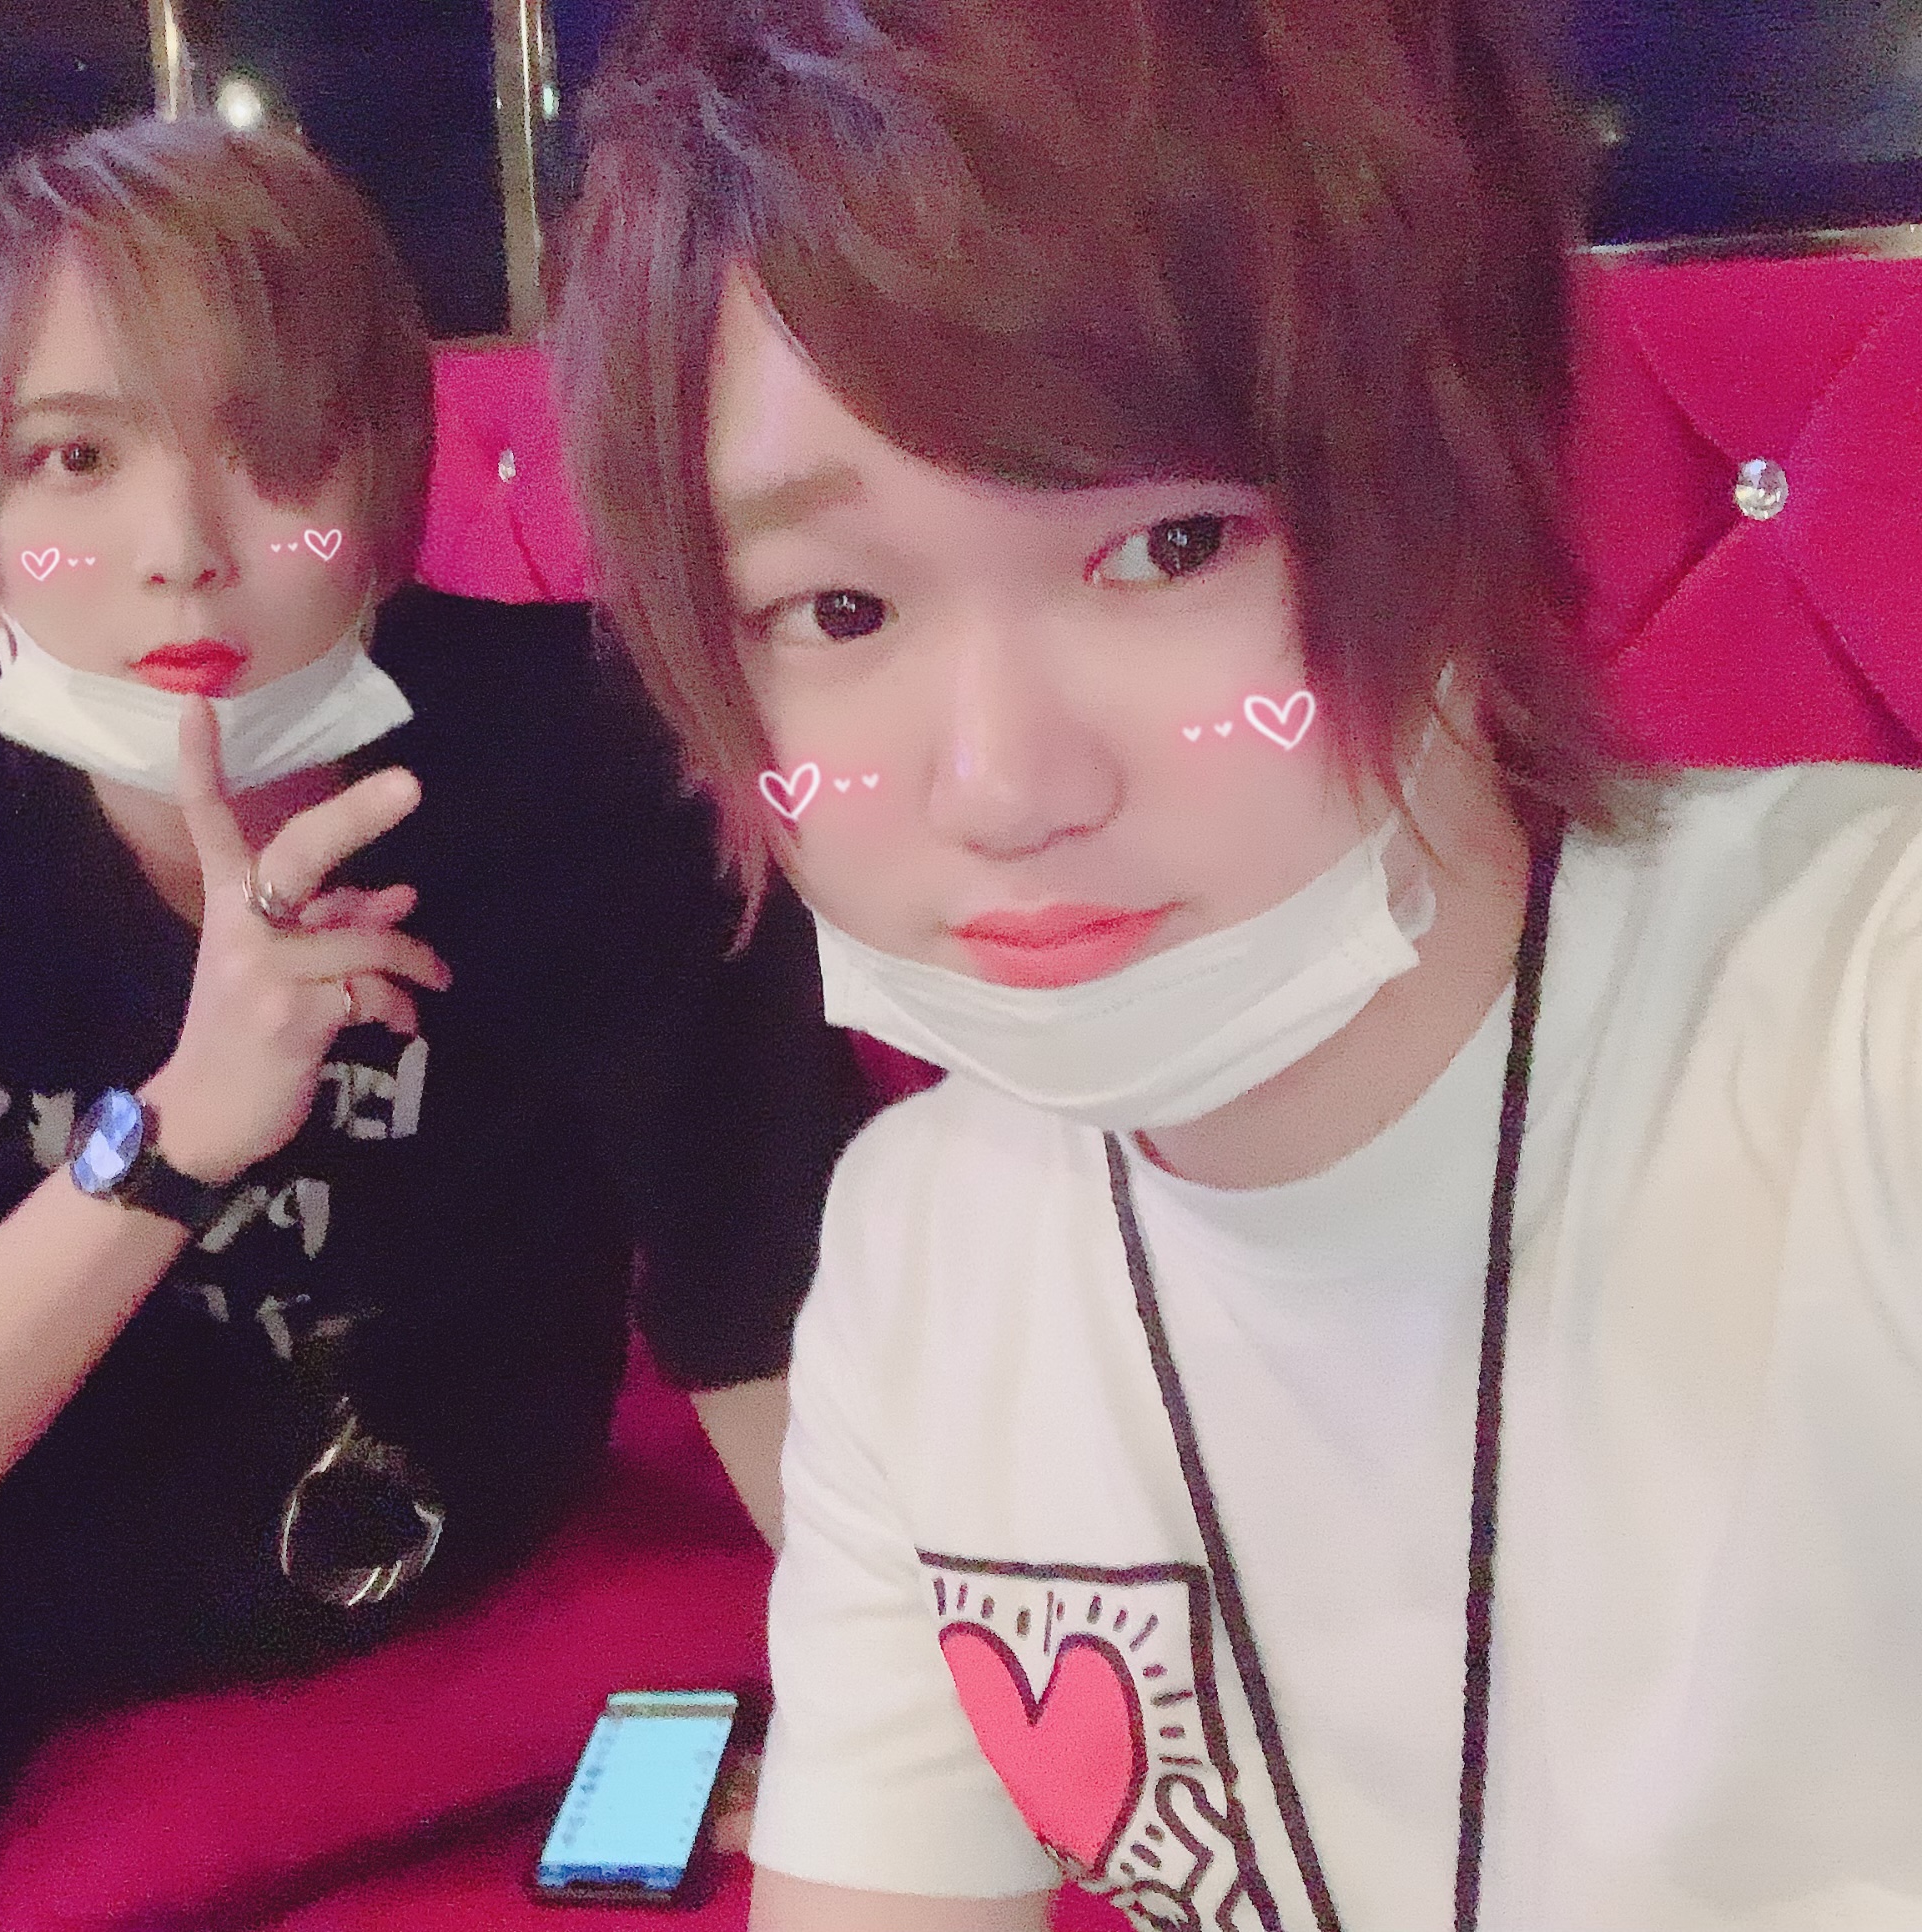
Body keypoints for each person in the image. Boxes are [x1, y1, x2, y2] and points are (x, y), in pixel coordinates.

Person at [547, 2, 1922, 1928]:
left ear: (1469, 488)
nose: (1006, 783)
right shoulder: (923, 1256)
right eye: (839, 608)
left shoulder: (1859, 1038)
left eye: (1173, 546)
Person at [0, 112, 865, 1932]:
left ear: (384, 497)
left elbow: (768, 1315)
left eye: (280, 458)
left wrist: (917, 1749)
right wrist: (179, 1132)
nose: (182, 550)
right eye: (74, 458)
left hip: (438, 1472)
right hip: (8, 1495)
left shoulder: (583, 773)